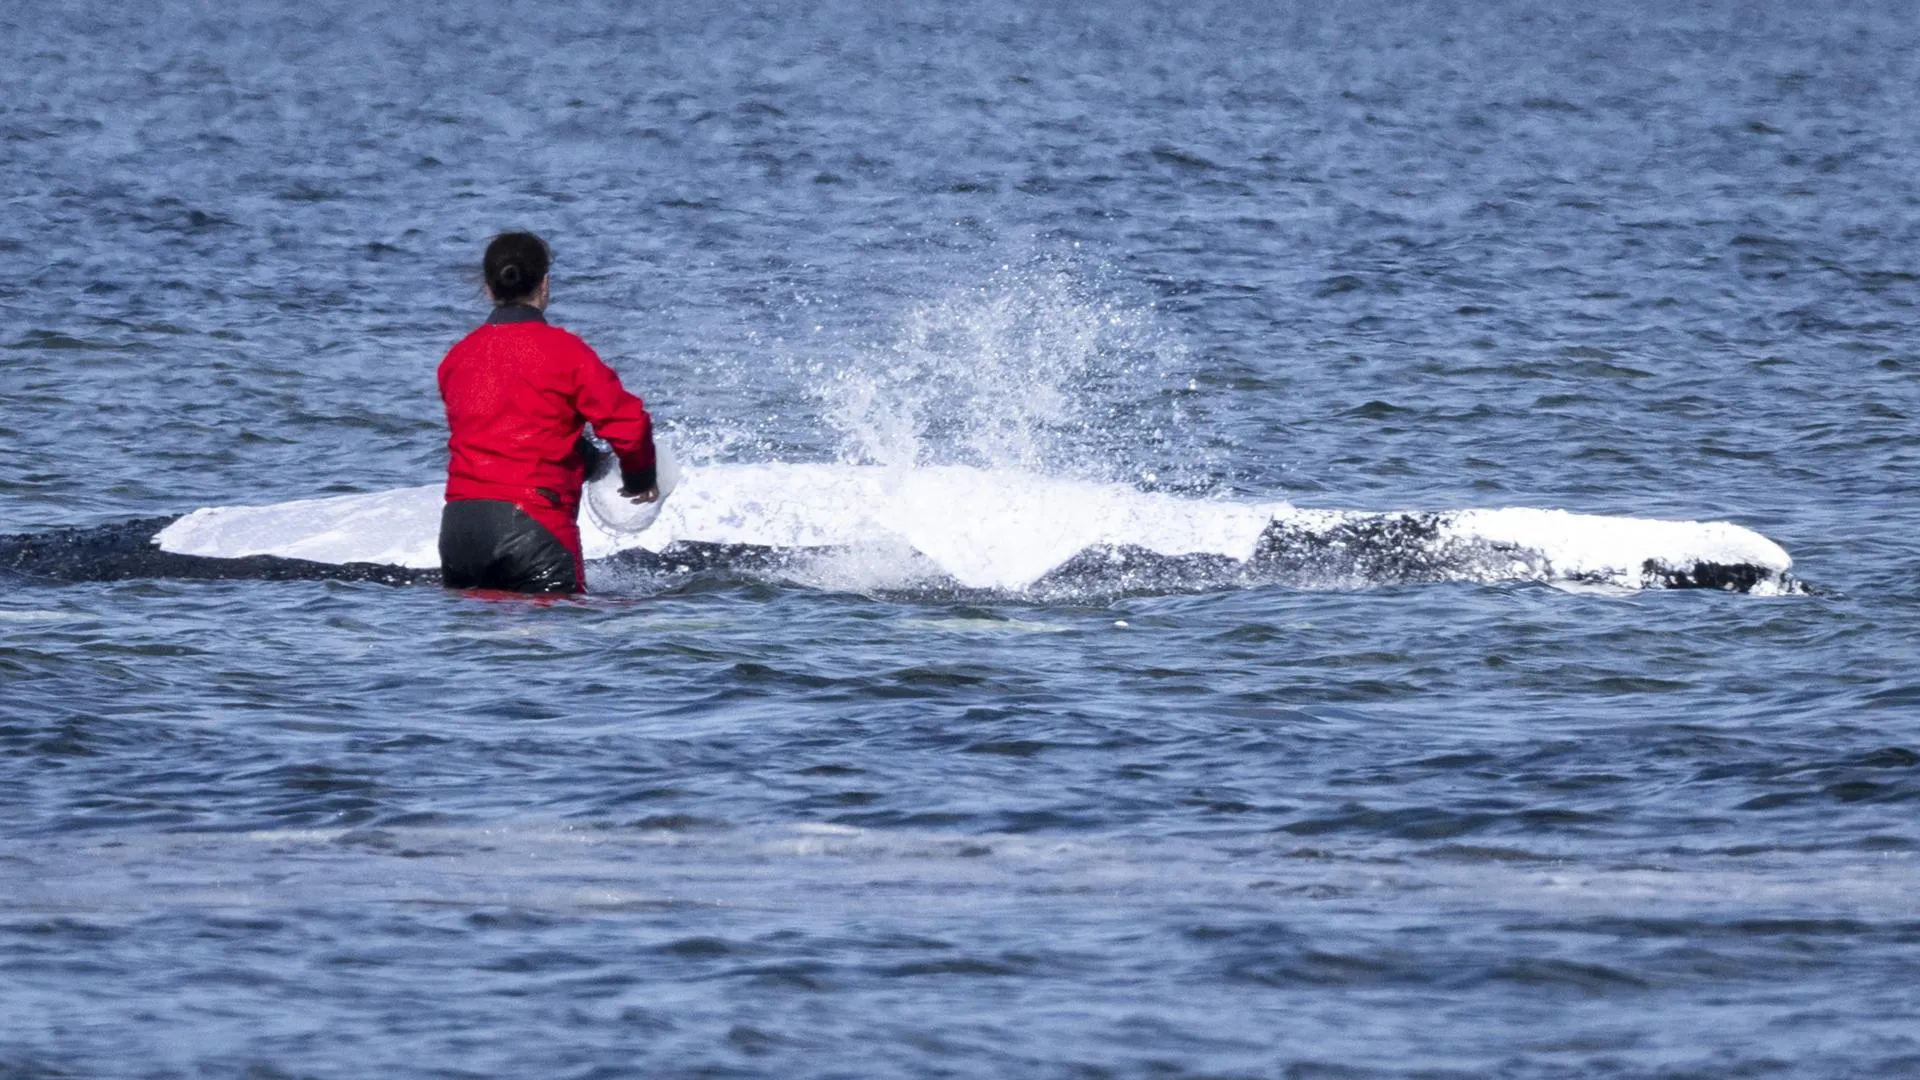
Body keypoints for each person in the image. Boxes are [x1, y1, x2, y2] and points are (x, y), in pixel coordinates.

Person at [436, 231, 658, 594]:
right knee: (555, 645)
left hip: (461, 530)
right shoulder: (566, 352)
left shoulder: (457, 358)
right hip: (534, 527)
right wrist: (639, 478)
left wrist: (588, 459)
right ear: (545, 284)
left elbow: (511, 431)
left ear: (488, 288)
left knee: (476, 645)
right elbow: (629, 425)